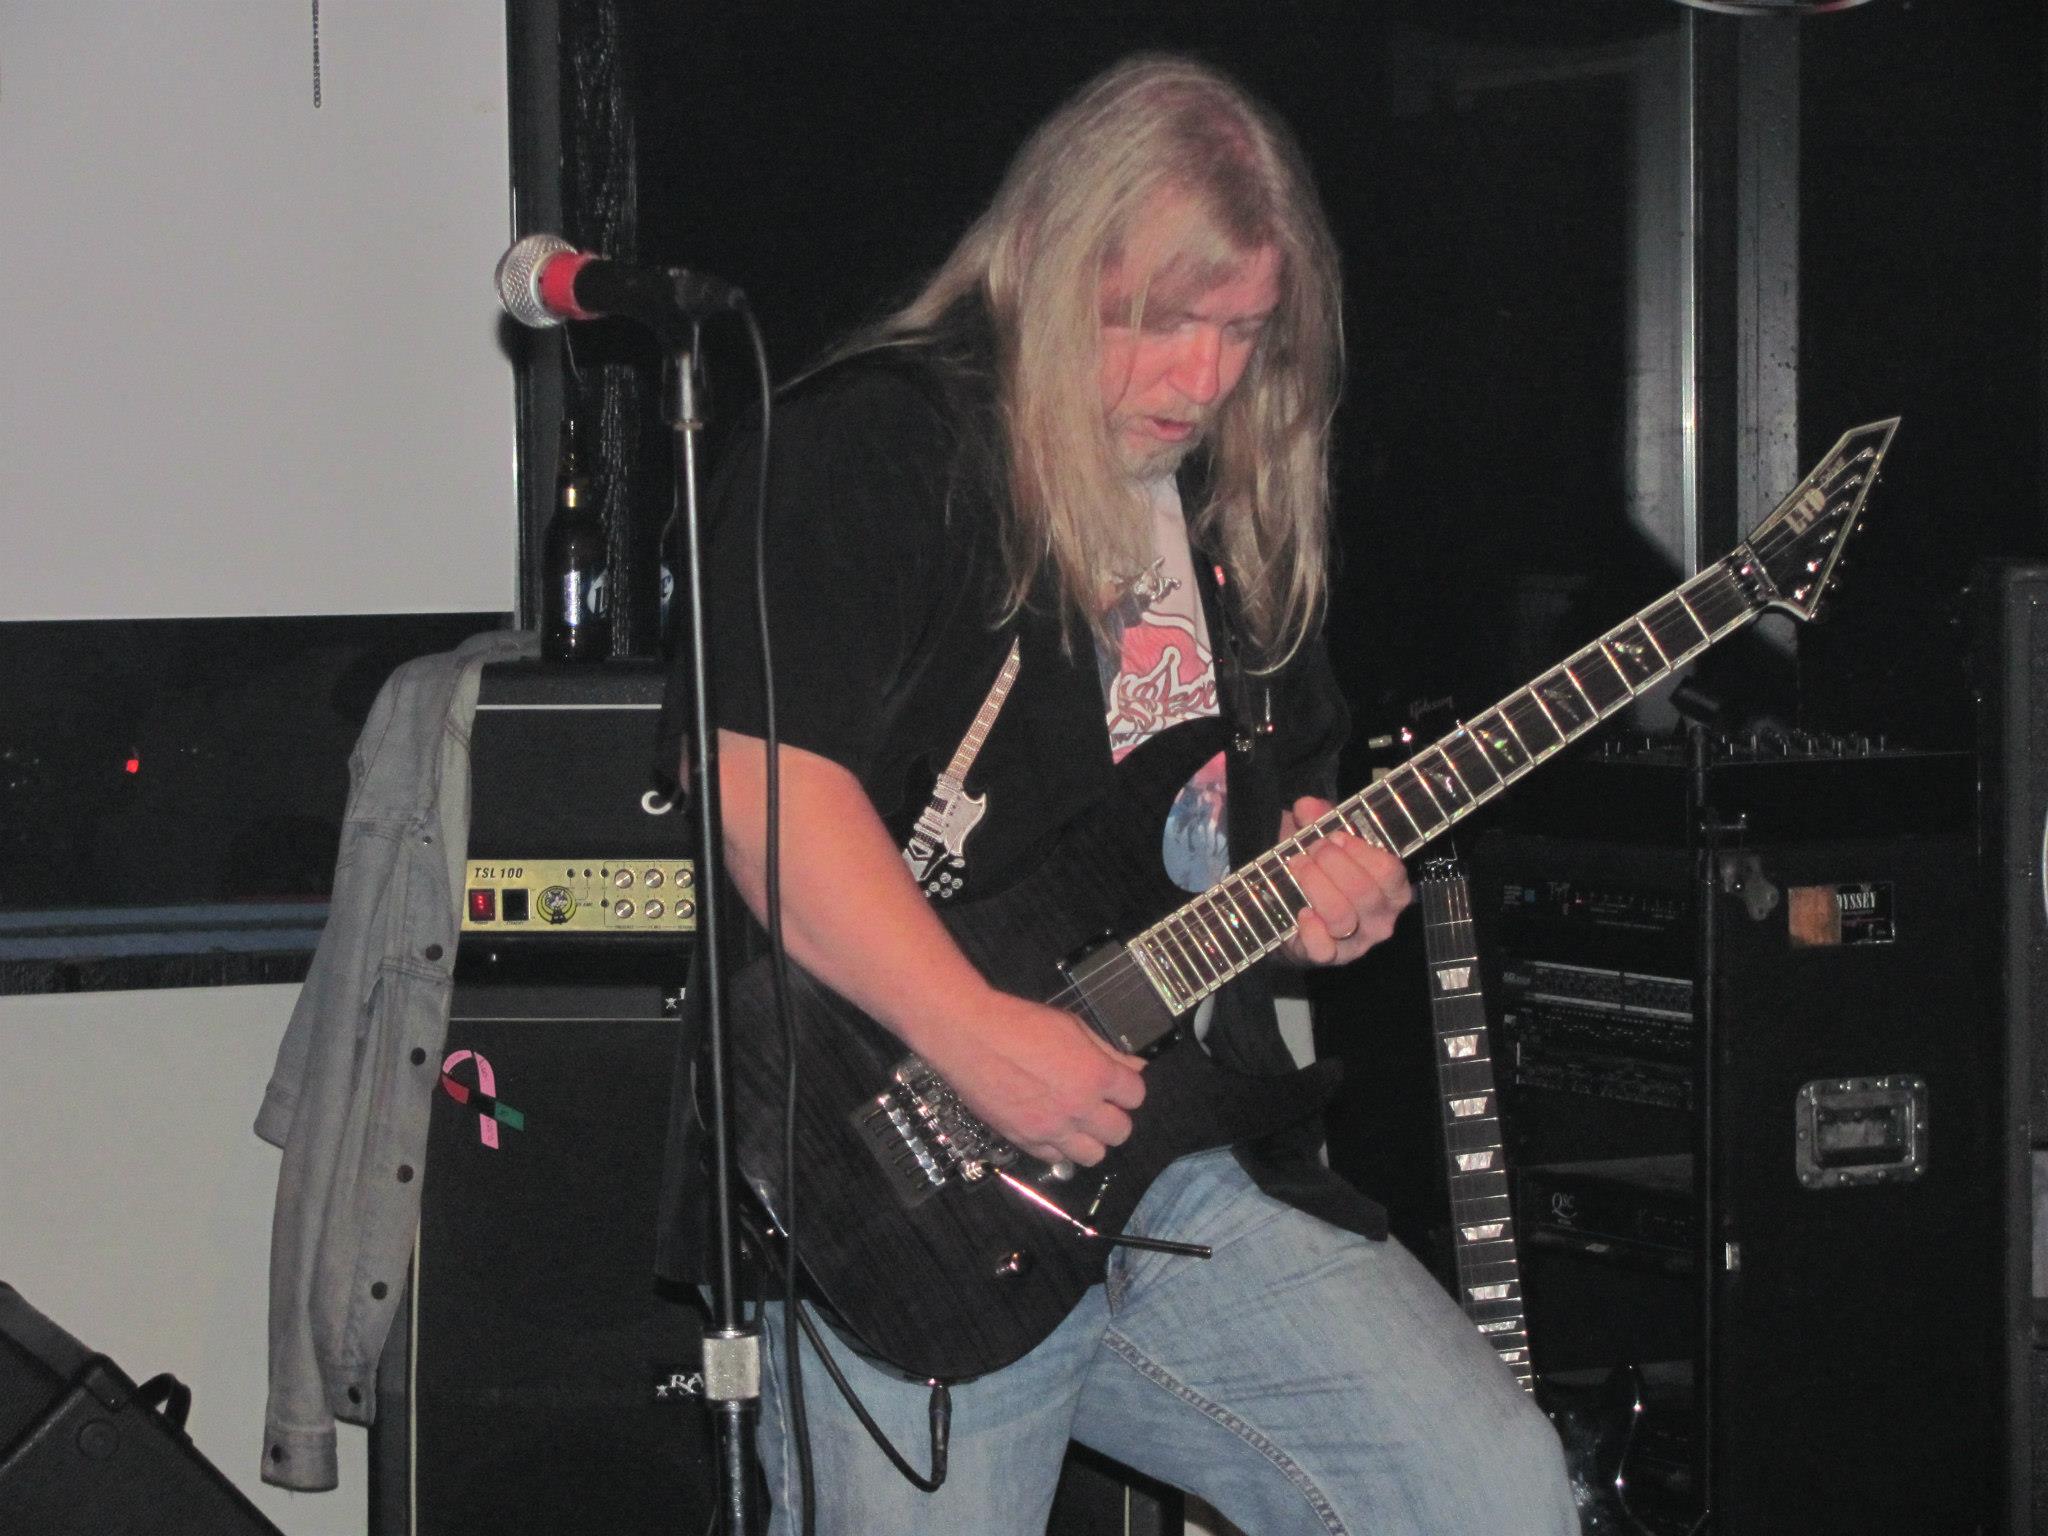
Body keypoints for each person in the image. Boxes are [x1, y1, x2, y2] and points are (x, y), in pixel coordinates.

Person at [676, 51, 1577, 1536]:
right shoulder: (879, 445)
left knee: (1484, 1490)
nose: (1203, 380)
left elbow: (1266, 823)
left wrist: (1322, 892)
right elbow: (766, 789)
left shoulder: (1227, 509)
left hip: (1179, 1153)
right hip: (905, 1181)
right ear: (1044, 262)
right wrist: (976, 1038)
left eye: (1243, 331)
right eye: (1158, 322)